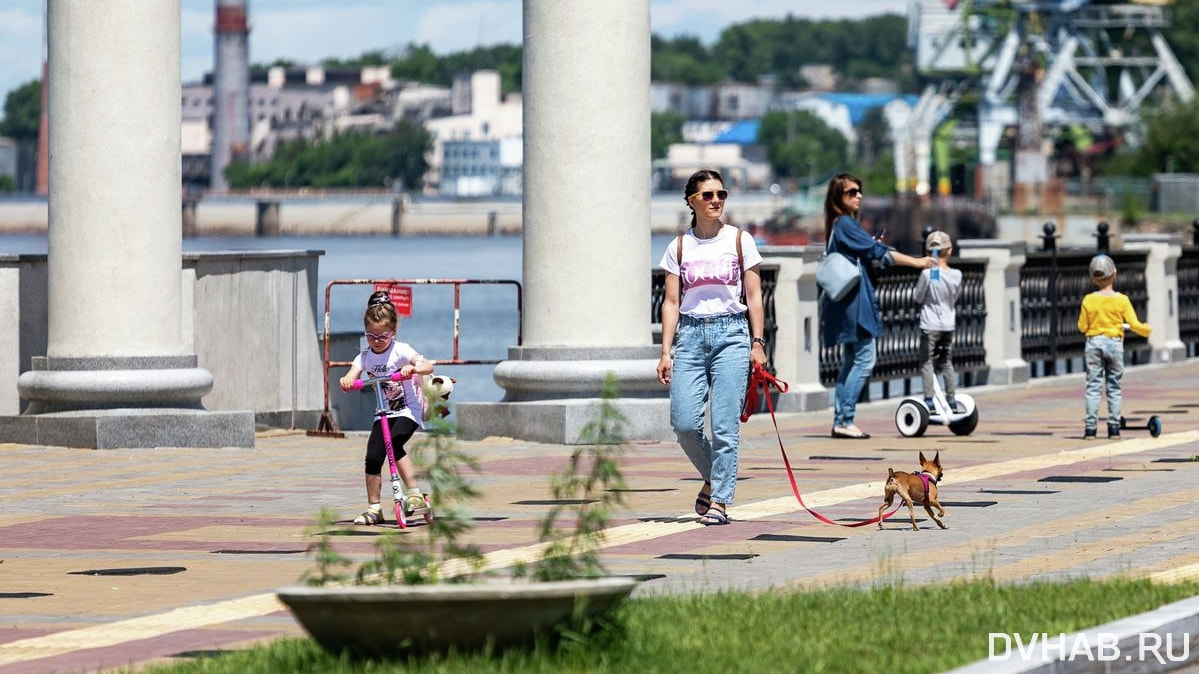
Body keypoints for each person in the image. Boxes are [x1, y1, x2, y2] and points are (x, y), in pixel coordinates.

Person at [656, 169, 768, 526]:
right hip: (689, 337)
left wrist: (757, 342)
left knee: (724, 426)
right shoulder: (679, 247)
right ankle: (713, 476)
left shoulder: (740, 240)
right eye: (707, 195)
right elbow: (671, 302)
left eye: (721, 193)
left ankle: (720, 500)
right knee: (685, 423)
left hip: (732, 334)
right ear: (692, 201)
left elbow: (753, 296)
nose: (716, 200)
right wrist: (665, 351)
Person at [821, 173, 933, 439]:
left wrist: (875, 247)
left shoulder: (841, 224)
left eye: (859, 191)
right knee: (864, 359)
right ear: (838, 198)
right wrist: (918, 262)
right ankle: (845, 420)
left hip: (847, 302)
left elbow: (869, 250)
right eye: (851, 192)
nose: (858, 195)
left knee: (851, 361)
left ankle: (842, 419)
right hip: (855, 304)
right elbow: (876, 252)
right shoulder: (845, 223)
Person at [339, 293, 435, 525]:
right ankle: (374, 508)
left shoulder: (400, 350)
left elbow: (427, 364)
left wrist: (412, 369)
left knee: (395, 442)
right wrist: (347, 380)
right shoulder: (364, 357)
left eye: (382, 336)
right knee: (373, 457)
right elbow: (352, 373)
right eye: (371, 336)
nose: (377, 341)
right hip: (383, 413)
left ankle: (412, 492)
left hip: (408, 410)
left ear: (393, 332)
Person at [1077, 254, 1151, 440]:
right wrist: (1147, 330)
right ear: (1115, 274)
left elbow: (1082, 327)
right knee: (1114, 387)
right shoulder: (1122, 300)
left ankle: (1090, 429)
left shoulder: (1088, 300)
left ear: (1093, 278)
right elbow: (1134, 324)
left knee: (1093, 387)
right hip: (1114, 343)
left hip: (1094, 343)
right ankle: (1114, 428)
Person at [912, 230, 964, 411]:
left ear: (928, 253)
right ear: (949, 251)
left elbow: (918, 297)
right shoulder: (957, 275)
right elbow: (955, 296)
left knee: (927, 362)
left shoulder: (928, 274)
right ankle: (951, 399)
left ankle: (929, 399)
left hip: (930, 325)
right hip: (948, 325)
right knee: (946, 361)